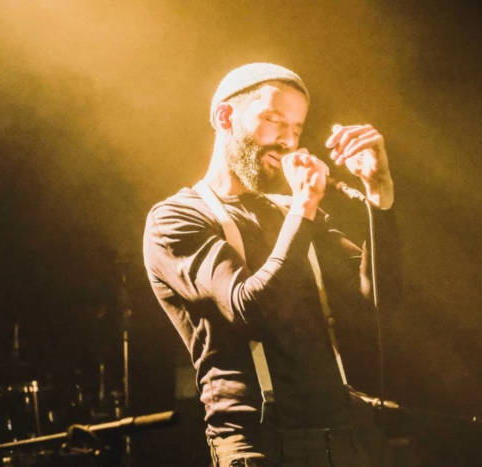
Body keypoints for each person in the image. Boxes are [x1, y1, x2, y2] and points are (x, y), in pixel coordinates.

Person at [143, 63, 396, 466]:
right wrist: (304, 206)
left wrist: (379, 195)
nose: (288, 142)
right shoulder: (176, 218)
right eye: (273, 121)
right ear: (224, 117)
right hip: (259, 445)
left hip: (340, 437)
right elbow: (252, 311)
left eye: (297, 129)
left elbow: (381, 296)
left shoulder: (289, 212)